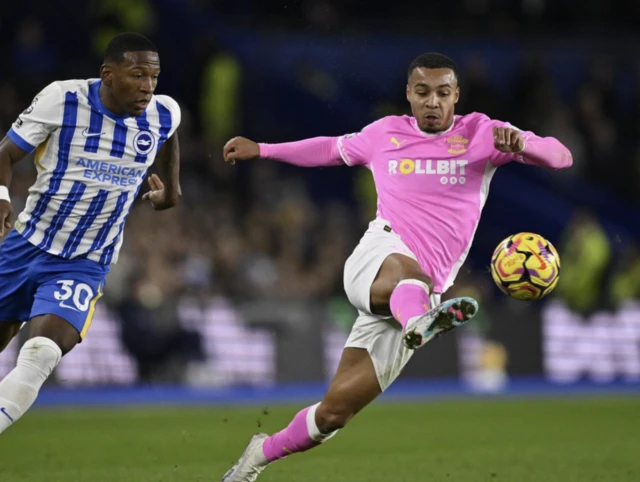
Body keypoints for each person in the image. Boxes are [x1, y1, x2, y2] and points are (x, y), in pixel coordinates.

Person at [220, 52, 572, 481]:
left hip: (420, 300)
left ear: (456, 95)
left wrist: (526, 144)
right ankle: (420, 319)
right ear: (408, 94)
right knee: (410, 276)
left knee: (333, 415)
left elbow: (561, 158)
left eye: (443, 93)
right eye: (422, 92)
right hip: (378, 259)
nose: (432, 102)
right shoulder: (384, 133)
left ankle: (258, 455)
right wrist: (264, 149)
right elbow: (329, 150)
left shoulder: (482, 133)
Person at [0, 32, 181, 434]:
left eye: (154, 77)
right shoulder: (62, 100)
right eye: (138, 76)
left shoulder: (163, 112)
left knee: (41, 353)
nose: (149, 87)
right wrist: (2, 198)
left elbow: (169, 135)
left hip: (85, 261)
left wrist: (172, 189)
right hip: (25, 246)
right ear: (108, 74)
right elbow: (6, 153)